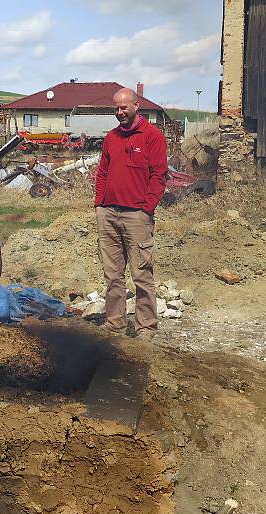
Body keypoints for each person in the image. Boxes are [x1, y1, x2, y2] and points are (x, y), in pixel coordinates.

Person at [94, 88, 167, 340]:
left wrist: (147, 208)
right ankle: (115, 324)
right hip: (108, 214)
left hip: (136, 216)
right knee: (113, 274)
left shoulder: (152, 136)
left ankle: (146, 327)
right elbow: (102, 172)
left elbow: (159, 175)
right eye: (115, 108)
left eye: (124, 107)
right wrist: (99, 204)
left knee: (141, 274)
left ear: (137, 106)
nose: (119, 112)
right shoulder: (111, 138)